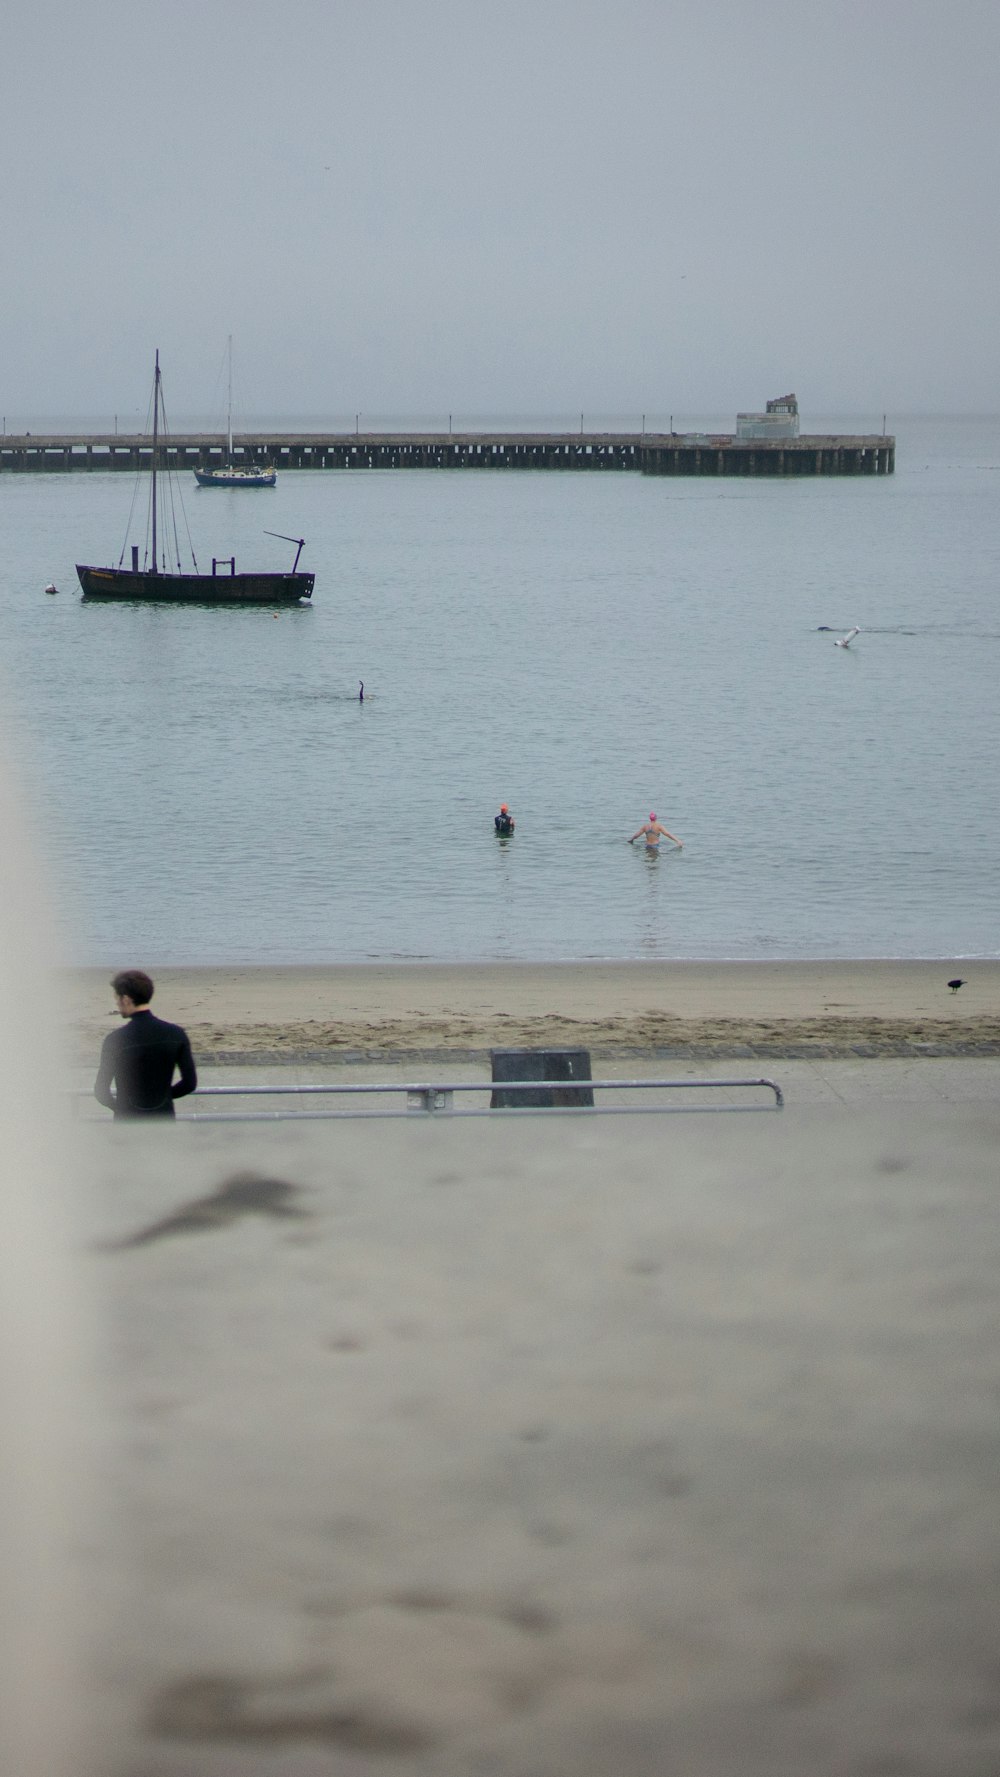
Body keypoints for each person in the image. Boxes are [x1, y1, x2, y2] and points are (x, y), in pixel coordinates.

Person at [94, 969, 197, 1119]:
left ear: (126, 999)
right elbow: (189, 1083)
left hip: (127, 1125)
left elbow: (101, 1092)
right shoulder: (176, 1034)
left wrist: (122, 1108)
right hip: (163, 1120)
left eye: (117, 998)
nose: (117, 1003)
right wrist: (164, 1098)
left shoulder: (115, 1040)